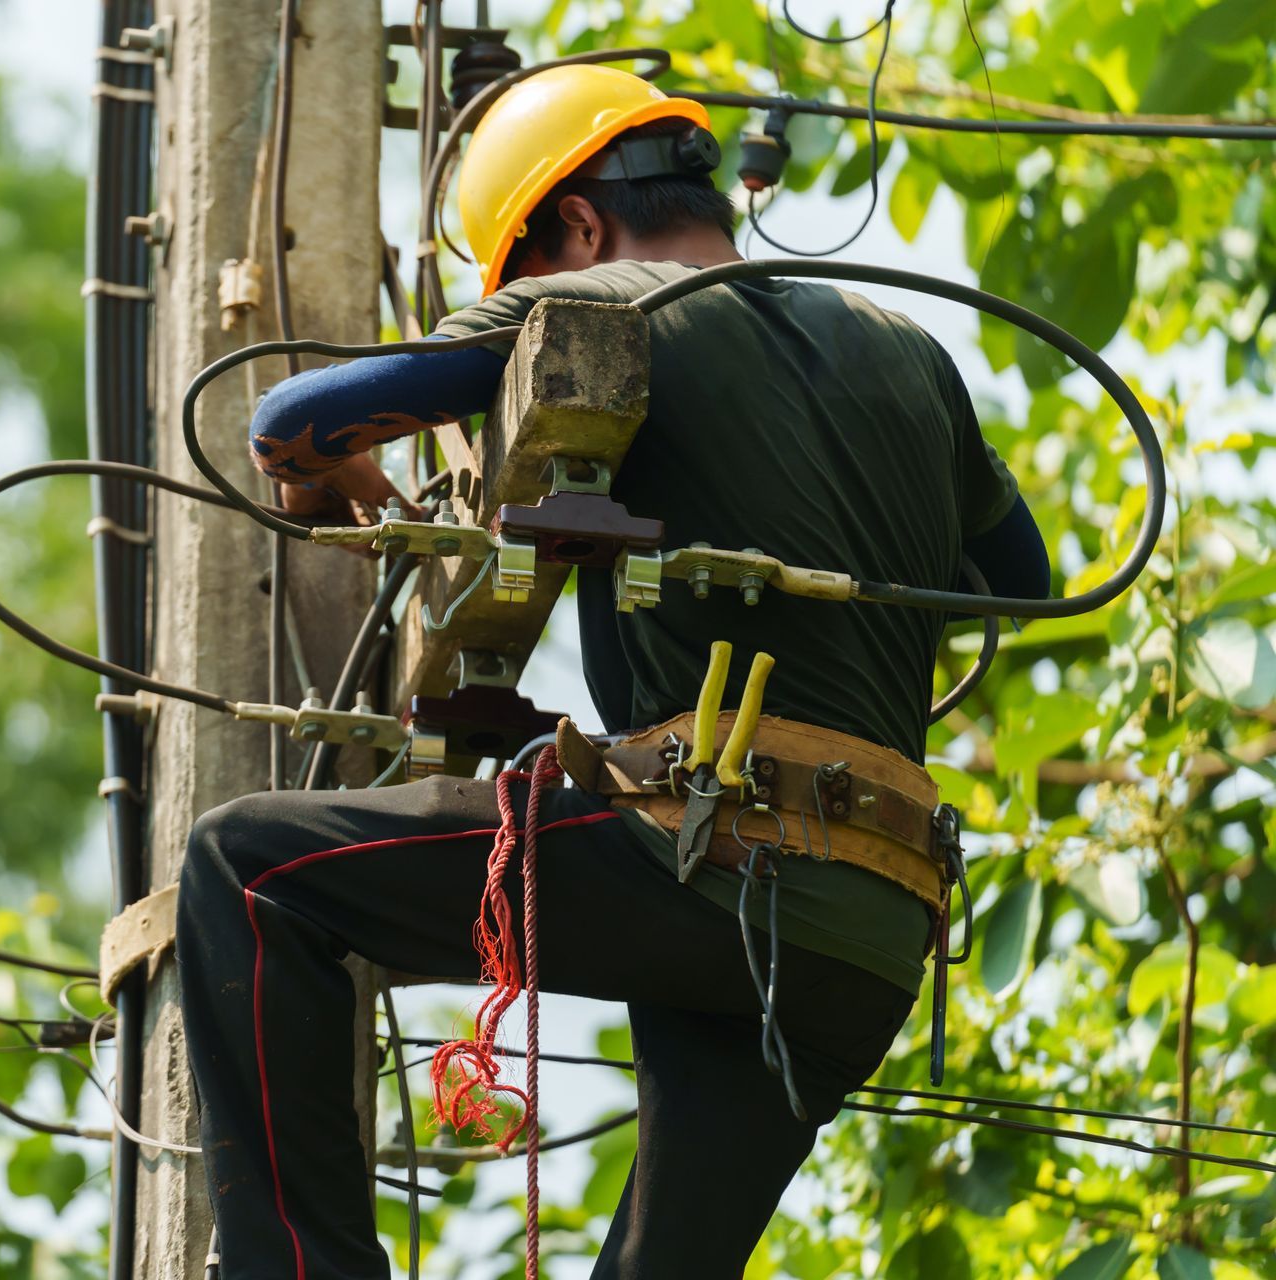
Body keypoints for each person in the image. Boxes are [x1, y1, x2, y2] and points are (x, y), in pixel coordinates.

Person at [176, 66, 1049, 1279]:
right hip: (870, 934)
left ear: (578, 224)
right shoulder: (912, 353)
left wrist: (323, 474)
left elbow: (290, 417)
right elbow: (1025, 576)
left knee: (251, 866)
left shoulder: (600, 294)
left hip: (707, 858)